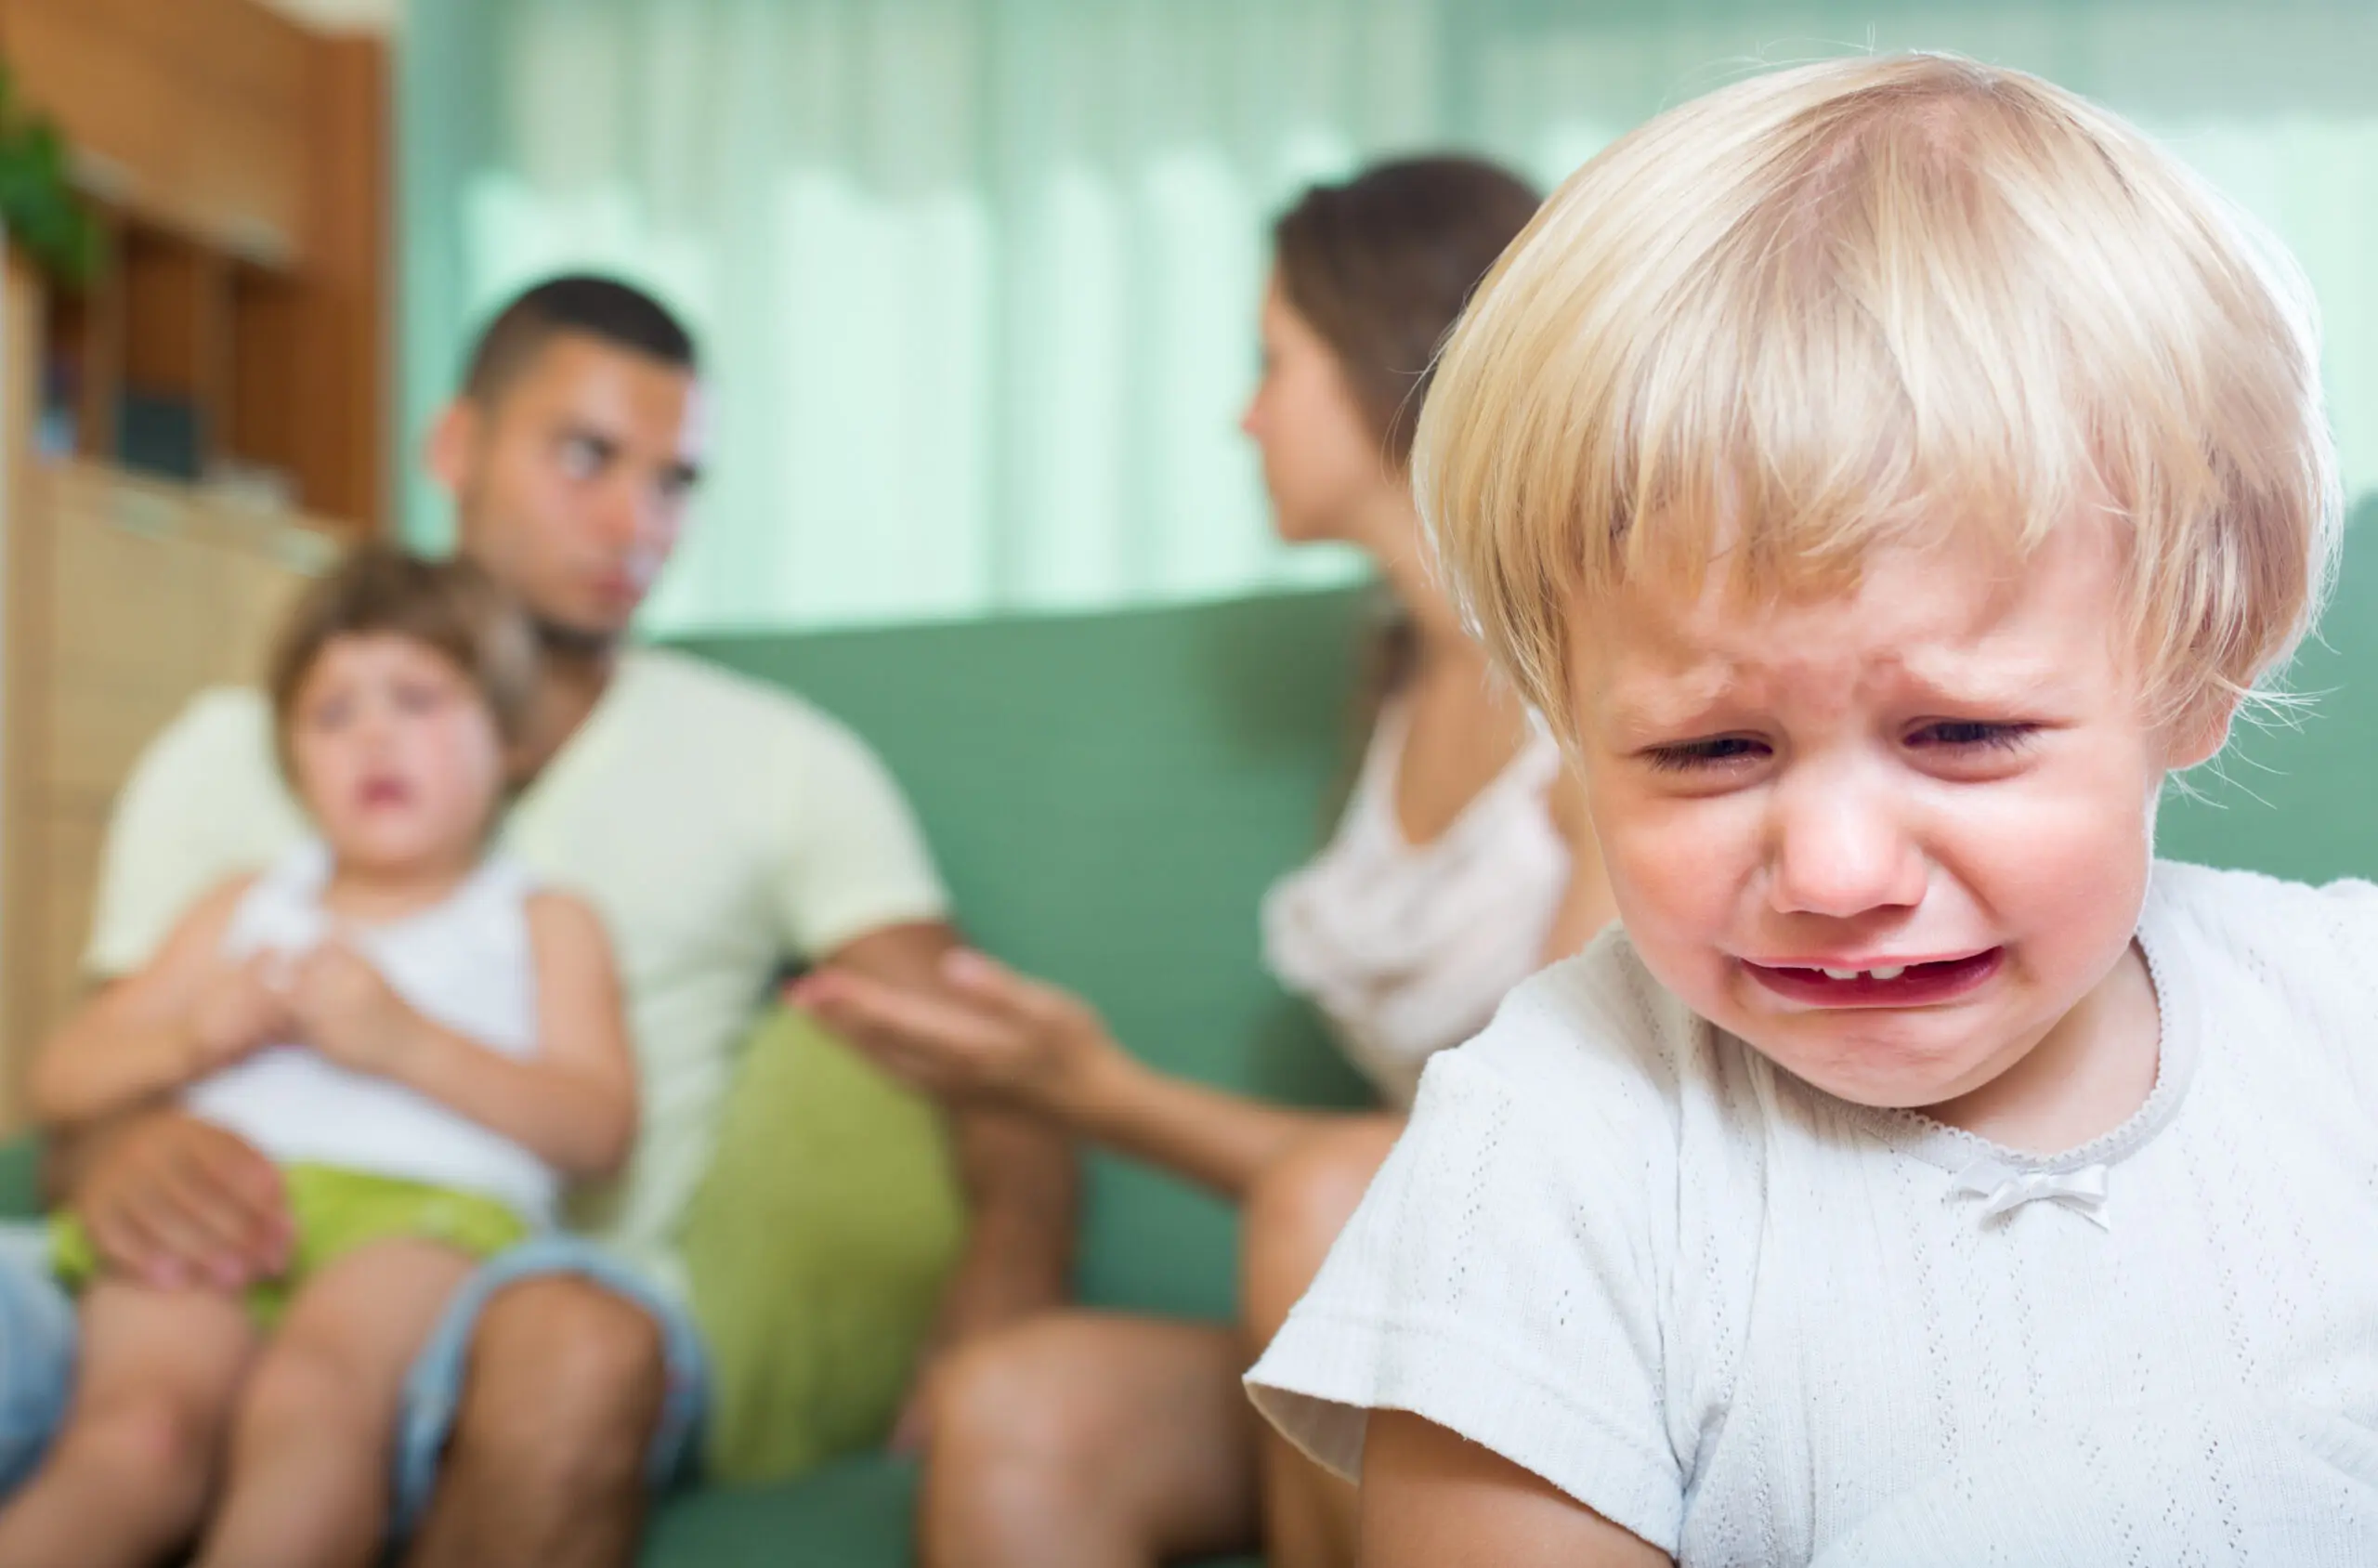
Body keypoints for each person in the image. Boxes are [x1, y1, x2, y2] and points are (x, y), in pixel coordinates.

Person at [1245, 51, 2374, 1565]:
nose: (1837, 872)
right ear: (1565, 721)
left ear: (2199, 670)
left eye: (1963, 731)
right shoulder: (1547, 1147)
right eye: (1708, 750)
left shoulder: (2345, 1025)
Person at [0, 277, 1076, 1567]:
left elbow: (989, 1057)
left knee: (564, 1344)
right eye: (586, 459)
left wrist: (1001, 1296)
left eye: (676, 483)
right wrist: (129, 1151)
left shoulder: (778, 761)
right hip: (180, 1285)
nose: (637, 523)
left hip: (504, 1270)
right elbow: (81, 1096)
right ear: (454, 448)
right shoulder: (227, 755)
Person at [795, 156, 1615, 1568]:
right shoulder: (1399, 685)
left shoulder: (1609, 686)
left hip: (1583, 1317)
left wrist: (1091, 1092)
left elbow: (1543, 1167)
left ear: (1391, 357)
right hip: (1385, 1301)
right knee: (1018, 1411)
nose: (1244, 415)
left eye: (1270, 359)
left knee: (1319, 1209)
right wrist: (1043, 1083)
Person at [0, 547, 639, 1568]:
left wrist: (408, 1044)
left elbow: (598, 1124)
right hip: (212, 1208)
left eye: (418, 698)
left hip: (419, 1216)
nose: (374, 735)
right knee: (134, 1437)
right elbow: (61, 1075)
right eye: (332, 713)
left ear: (510, 736)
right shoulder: (244, 904)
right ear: (293, 759)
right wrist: (187, 1036)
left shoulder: (539, 918)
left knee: (314, 1408)